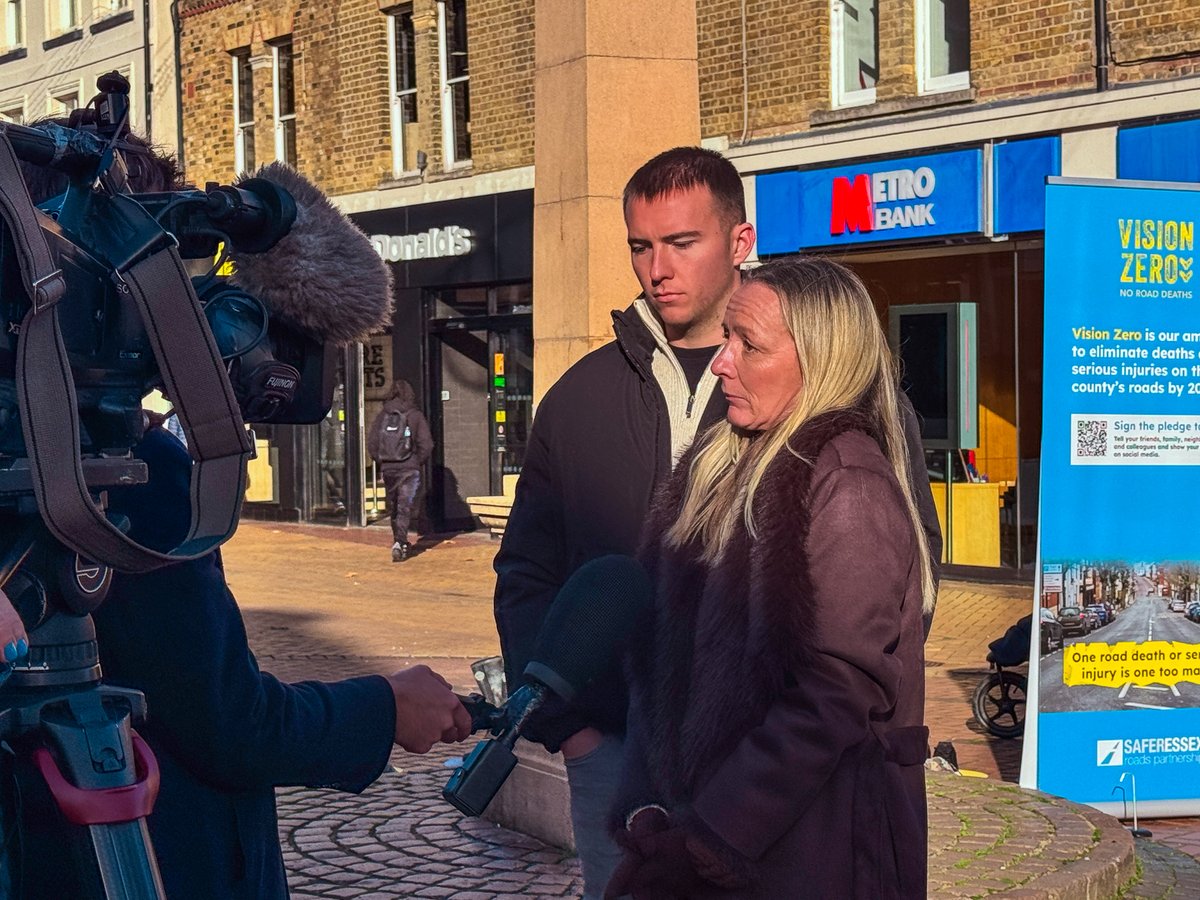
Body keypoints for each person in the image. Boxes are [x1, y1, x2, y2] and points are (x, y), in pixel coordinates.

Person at [17, 126, 473, 899]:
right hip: (157, 856)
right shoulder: (126, 472)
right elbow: (225, 725)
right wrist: (382, 706)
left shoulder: (30, 451)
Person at [493, 147, 941, 899]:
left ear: (739, 241)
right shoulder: (580, 399)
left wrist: (725, 813)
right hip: (636, 768)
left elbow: (864, 649)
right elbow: (530, 575)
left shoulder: (849, 456)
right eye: (641, 246)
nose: (657, 268)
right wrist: (573, 730)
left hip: (788, 803)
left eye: (681, 242)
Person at [607, 257, 933, 899]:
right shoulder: (718, 464)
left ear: (822, 362)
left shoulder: (849, 486)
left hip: (814, 855)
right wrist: (647, 806)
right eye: (727, 337)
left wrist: (709, 835)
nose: (722, 361)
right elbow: (658, 659)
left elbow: (834, 693)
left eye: (748, 344)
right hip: (703, 840)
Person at [368, 379, 434, 562]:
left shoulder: (383, 414)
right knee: (405, 506)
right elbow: (426, 444)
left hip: (389, 469)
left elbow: (372, 444)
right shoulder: (415, 415)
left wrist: (382, 461)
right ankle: (400, 542)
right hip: (408, 468)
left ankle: (398, 541)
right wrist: (416, 461)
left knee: (395, 506)